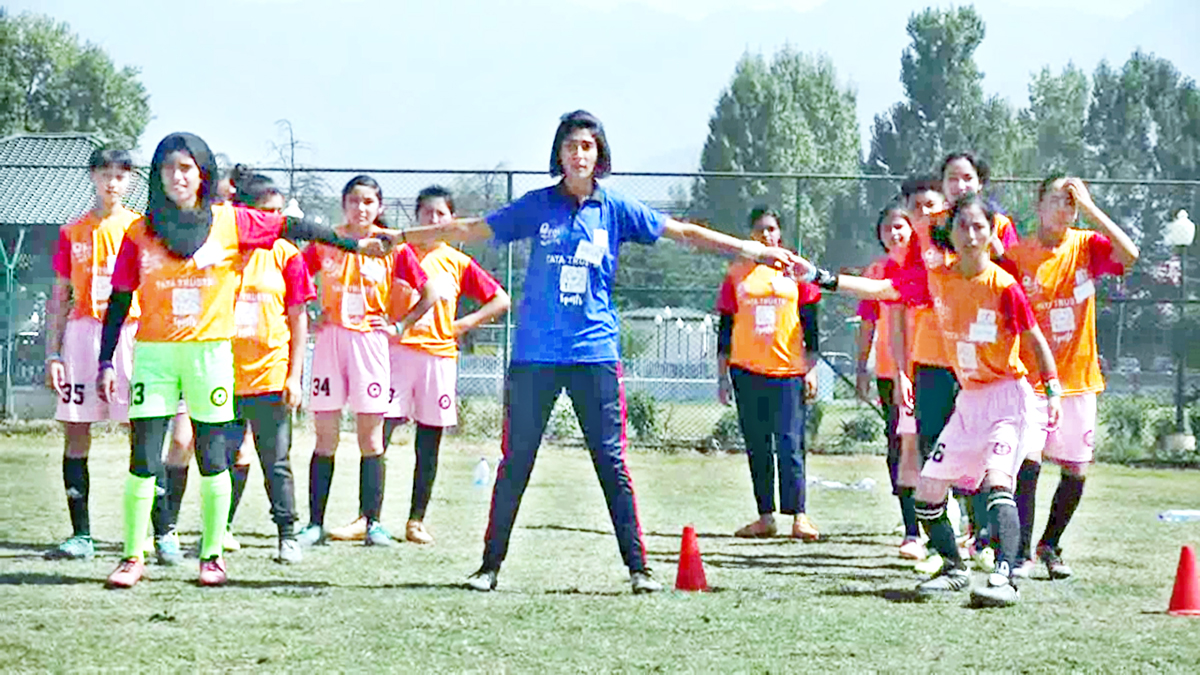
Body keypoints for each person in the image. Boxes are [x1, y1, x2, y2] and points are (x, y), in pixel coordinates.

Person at [395, 110, 800, 594]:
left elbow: (687, 234)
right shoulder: (536, 206)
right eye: (570, 145)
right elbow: (468, 230)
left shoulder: (617, 209)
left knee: (611, 461)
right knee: (516, 460)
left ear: (599, 154)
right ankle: (489, 567)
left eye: (587, 145)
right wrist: (398, 238)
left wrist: (755, 252)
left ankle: (638, 569)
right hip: (535, 358)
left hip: (595, 354)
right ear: (559, 154)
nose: (578, 153)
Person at [98, 132, 394, 589]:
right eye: (167, 168)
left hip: (211, 355)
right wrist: (104, 361)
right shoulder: (140, 230)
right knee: (144, 457)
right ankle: (132, 556)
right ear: (156, 176)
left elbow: (298, 230)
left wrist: (358, 246)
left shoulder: (231, 222)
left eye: (186, 168)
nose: (177, 176)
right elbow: (119, 300)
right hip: (155, 356)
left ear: (202, 175)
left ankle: (212, 556)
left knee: (214, 457)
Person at [802, 193, 1062, 607]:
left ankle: (1005, 575)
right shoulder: (938, 278)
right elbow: (883, 288)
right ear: (952, 235)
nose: (971, 234)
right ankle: (955, 568)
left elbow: (1034, 339)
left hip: (1008, 398)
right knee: (927, 490)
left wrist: (1052, 389)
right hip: (970, 401)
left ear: (991, 231)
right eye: (963, 226)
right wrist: (820, 276)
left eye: (980, 226)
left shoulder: (1004, 285)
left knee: (998, 484)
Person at [327, 185, 510, 545]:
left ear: (452, 220)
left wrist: (464, 325)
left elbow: (500, 299)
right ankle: (369, 517)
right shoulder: (396, 250)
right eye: (427, 213)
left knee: (429, 442)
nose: (434, 220)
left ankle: (416, 520)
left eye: (441, 214)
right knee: (379, 435)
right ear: (417, 218)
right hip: (397, 354)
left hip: (439, 358)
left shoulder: (457, 262)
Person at [1005, 175, 1138, 579]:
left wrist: (1093, 209)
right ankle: (1020, 553)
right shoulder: (1017, 255)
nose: (1066, 208)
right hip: (1031, 379)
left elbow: (1130, 255)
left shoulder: (1086, 246)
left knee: (1075, 470)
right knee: (1028, 463)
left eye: (1072, 201)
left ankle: (1050, 544)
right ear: (1038, 203)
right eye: (1058, 199)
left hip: (1079, 378)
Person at [296, 175, 438, 548]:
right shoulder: (326, 240)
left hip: (371, 343)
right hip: (329, 341)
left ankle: (373, 523)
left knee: (370, 438)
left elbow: (429, 292)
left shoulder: (391, 246)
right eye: (354, 201)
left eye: (368, 202)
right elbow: (291, 276)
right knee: (325, 436)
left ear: (379, 208)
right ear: (344, 204)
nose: (361, 208)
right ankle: (314, 524)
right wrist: (311, 316)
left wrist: (399, 325)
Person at [43, 148, 139, 560]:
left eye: (120, 174)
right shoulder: (73, 231)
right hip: (83, 334)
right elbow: (60, 294)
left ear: (130, 180)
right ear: (92, 177)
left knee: (143, 430)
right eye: (104, 173)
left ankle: (154, 533)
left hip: (131, 333)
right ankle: (81, 534)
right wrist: (53, 353)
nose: (112, 182)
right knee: (77, 430)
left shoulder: (141, 229)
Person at [220, 172, 317, 564]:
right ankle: (219, 529)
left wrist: (294, 376)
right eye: (267, 214)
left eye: (280, 214)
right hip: (223, 375)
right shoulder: (219, 251)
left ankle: (287, 534)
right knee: (223, 459)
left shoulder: (286, 255)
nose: (276, 223)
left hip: (270, 375)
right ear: (243, 213)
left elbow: (298, 319)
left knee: (275, 461)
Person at [716, 207, 821, 542]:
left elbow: (812, 326)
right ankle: (765, 517)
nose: (766, 235)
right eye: (760, 229)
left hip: (789, 372)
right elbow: (725, 328)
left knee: (790, 444)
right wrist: (722, 376)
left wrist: (811, 369)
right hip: (747, 372)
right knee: (757, 446)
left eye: (772, 229)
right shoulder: (737, 272)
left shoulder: (796, 271)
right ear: (751, 234)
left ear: (781, 234)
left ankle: (799, 517)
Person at [853, 204, 923, 560]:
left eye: (901, 226)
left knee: (938, 445)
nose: (895, 233)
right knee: (899, 447)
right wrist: (860, 367)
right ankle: (911, 529)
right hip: (889, 375)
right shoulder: (877, 272)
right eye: (888, 228)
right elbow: (867, 322)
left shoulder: (928, 266)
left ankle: (957, 524)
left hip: (932, 369)